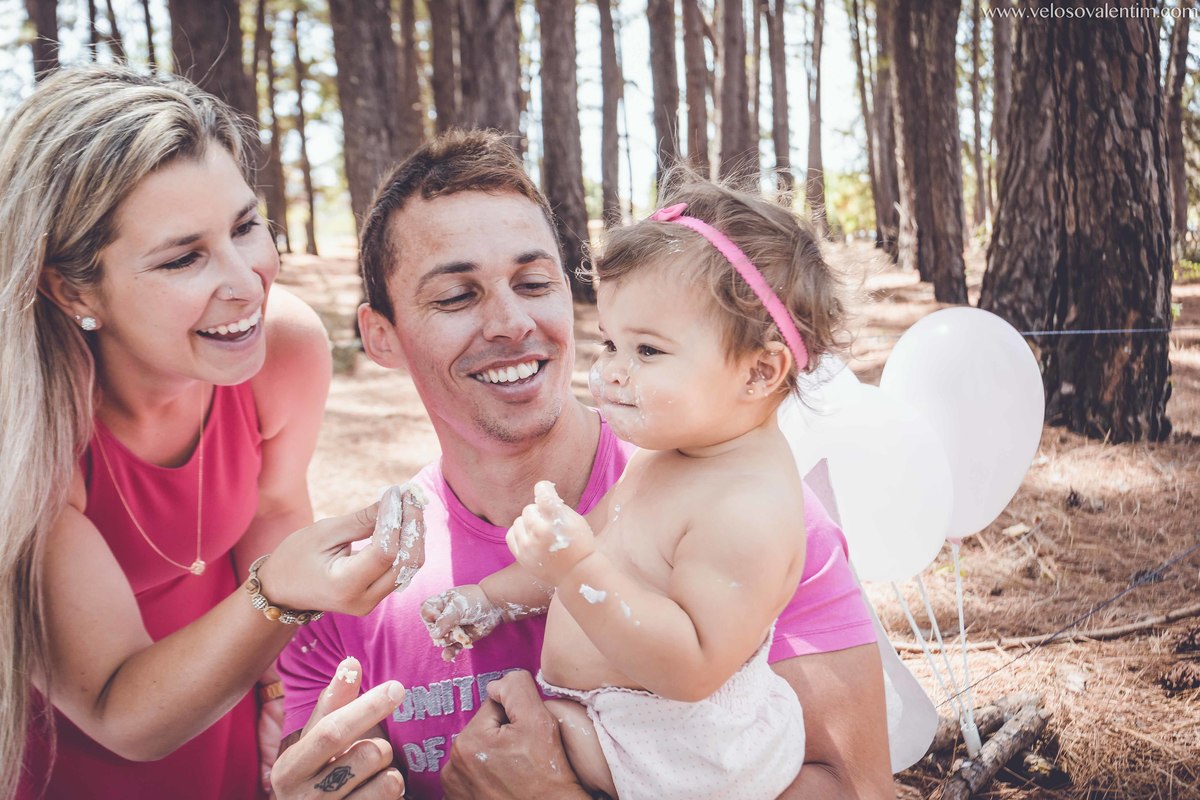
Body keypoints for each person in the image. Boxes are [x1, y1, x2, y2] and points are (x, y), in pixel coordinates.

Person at [273, 130, 895, 799]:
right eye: (457, 296)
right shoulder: (347, 595)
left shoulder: (758, 513)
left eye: (535, 281)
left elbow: (858, 787)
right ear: (381, 336)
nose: (512, 322)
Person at [0, 65, 422, 800]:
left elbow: (273, 508)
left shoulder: (284, 349)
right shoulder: (24, 429)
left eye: (245, 225)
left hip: (222, 714)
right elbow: (119, 710)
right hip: (72, 762)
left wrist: (275, 692)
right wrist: (281, 591)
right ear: (72, 288)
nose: (248, 279)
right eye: (183, 256)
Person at [420, 178, 844, 799]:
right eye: (612, 343)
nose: (613, 370)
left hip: (682, 747)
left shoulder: (745, 507)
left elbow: (694, 664)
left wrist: (577, 571)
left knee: (516, 738)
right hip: (627, 720)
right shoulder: (669, 457)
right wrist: (489, 598)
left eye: (648, 350)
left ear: (759, 370)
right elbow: (594, 546)